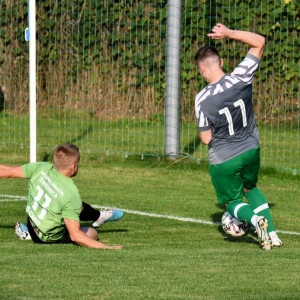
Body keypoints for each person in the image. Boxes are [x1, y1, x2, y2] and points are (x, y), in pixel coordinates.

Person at [194, 23, 282, 250]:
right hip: (251, 149)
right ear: (221, 62)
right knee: (250, 188)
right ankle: (272, 234)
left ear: (201, 70)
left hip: (224, 158)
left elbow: (205, 139)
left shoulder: (202, 99)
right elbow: (259, 41)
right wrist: (228, 33)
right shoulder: (241, 76)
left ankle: (254, 221)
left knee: (232, 201)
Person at [0, 143, 124, 249]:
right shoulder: (70, 192)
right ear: (74, 166)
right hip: (46, 237)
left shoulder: (41, 167)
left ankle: (100, 216)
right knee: (92, 233)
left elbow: (6, 172)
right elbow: (75, 236)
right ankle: (29, 235)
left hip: (32, 221)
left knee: (76, 207)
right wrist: (107, 247)